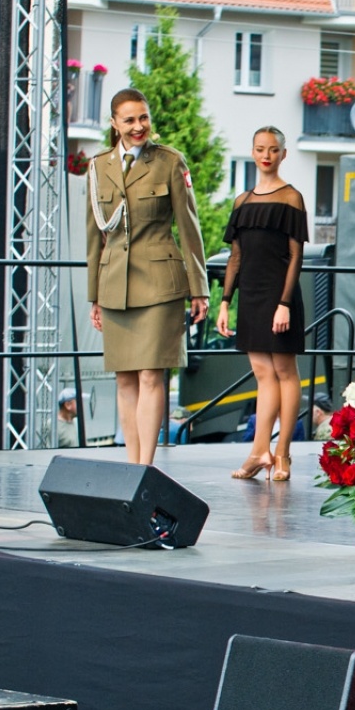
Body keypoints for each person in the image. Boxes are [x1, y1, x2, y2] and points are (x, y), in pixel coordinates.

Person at [85, 88, 209, 467]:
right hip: (115, 286)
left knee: (151, 376)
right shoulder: (97, 166)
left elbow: (189, 228)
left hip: (159, 284)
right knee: (124, 380)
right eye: (129, 120)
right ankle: (131, 463)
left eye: (143, 117)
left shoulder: (169, 162)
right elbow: (94, 238)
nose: (139, 127)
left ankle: (145, 468)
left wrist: (198, 289)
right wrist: (94, 297)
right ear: (114, 124)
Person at [216, 126, 310, 482]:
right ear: (252, 152)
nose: (266, 155)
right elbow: (235, 257)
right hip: (251, 296)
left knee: (285, 372)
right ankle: (260, 451)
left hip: (279, 294)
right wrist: (225, 302)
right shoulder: (242, 202)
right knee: (262, 374)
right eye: (259, 149)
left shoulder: (291, 197)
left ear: (283, 154)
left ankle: (283, 453)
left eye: (273, 149)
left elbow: (295, 255)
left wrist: (284, 303)